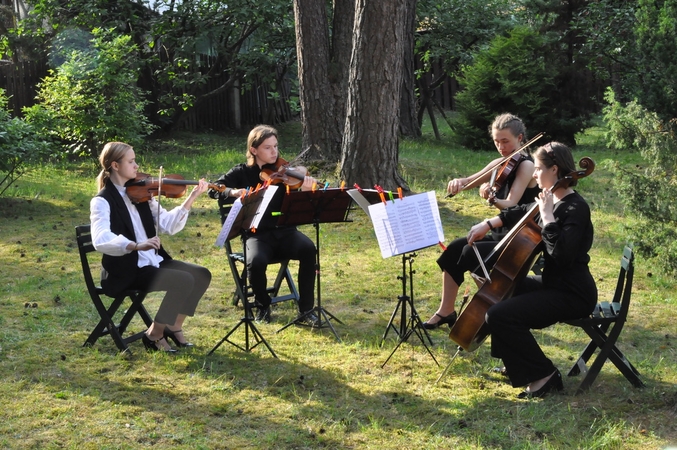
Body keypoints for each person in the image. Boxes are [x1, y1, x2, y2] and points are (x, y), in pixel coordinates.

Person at [468, 142, 597, 398]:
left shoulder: (575, 208)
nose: (534, 174)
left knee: (499, 315)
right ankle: (515, 362)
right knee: (501, 288)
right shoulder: (551, 198)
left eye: (538, 168)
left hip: (573, 294)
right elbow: (522, 211)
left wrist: (548, 218)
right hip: (554, 283)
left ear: (554, 169)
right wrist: (489, 223)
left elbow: (562, 256)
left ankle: (544, 375)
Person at [90, 142, 212, 353]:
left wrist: (192, 197)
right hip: (126, 269)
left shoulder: (142, 194)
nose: (136, 166)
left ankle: (173, 327)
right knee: (182, 280)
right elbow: (100, 238)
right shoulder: (102, 201)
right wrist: (135, 245)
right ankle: (154, 335)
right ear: (115, 166)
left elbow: (168, 225)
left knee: (201, 274)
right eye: (131, 161)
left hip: (152, 262)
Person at [424, 113, 540, 329]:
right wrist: (458, 183)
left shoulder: (526, 166)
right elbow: (470, 181)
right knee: (454, 249)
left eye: (505, 141)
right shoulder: (501, 163)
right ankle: (446, 311)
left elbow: (511, 204)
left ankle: (493, 311)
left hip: (517, 238)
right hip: (500, 232)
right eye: (497, 142)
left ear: (520, 138)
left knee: (470, 252)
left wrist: (492, 199)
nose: (501, 147)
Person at [208, 125, 320, 327]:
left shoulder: (285, 172)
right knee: (256, 261)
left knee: (309, 249)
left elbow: (300, 206)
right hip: (256, 235)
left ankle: (306, 309)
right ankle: (262, 306)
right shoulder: (241, 172)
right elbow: (214, 188)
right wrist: (232, 192)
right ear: (254, 150)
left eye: (275, 146)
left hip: (285, 232)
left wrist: (304, 191)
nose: (274, 152)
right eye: (267, 147)